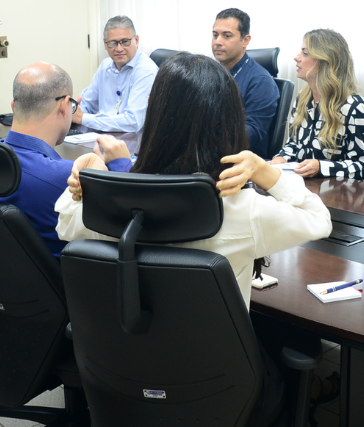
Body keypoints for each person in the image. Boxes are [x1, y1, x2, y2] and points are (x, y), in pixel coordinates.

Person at [56, 51, 331, 306]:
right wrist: (266, 172)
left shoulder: (109, 204)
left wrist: (89, 172)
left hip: (122, 354)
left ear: (154, 117)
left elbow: (64, 224)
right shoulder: (245, 209)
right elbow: (320, 221)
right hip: (214, 357)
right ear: (230, 120)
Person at [0, 62, 79, 258]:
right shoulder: (67, 177)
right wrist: (119, 164)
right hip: (64, 285)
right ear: (65, 106)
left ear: (13, 106)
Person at [270, 29, 364, 182]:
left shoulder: (357, 108)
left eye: (305, 53)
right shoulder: (303, 98)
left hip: (340, 197)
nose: (296, 58)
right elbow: (294, 144)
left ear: (325, 62)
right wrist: (281, 158)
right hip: (304, 187)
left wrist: (321, 167)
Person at [212, 8, 279, 158]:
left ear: (245, 40)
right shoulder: (211, 72)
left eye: (226, 36)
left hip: (240, 164)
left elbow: (251, 134)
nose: (217, 42)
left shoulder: (261, 81)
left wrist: (206, 138)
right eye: (215, 35)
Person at [73, 15, 158, 133]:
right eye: (113, 43)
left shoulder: (146, 71)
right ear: (105, 43)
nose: (119, 49)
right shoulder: (105, 66)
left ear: (136, 40)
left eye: (125, 42)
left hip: (130, 145)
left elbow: (132, 122)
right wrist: (72, 111)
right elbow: (86, 105)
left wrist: (83, 118)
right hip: (100, 139)